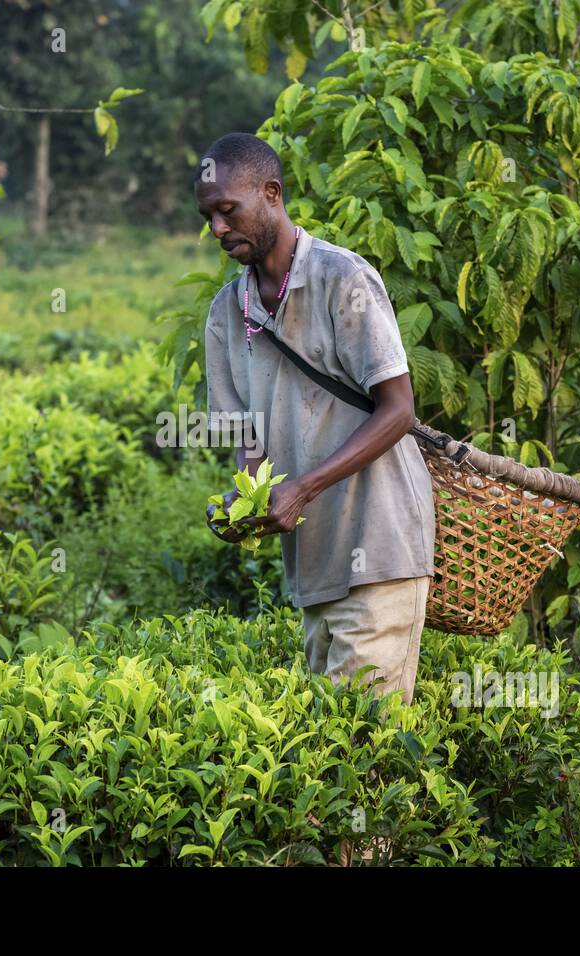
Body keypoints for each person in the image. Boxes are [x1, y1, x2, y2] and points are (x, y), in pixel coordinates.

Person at [195, 132, 436, 706]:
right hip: (312, 569)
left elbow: (398, 410)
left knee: (363, 751)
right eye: (207, 217)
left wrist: (302, 488)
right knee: (332, 759)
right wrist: (244, 506)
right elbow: (247, 442)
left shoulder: (342, 279)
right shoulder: (228, 312)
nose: (218, 230)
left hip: (380, 552)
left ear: (271, 194)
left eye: (228, 211)